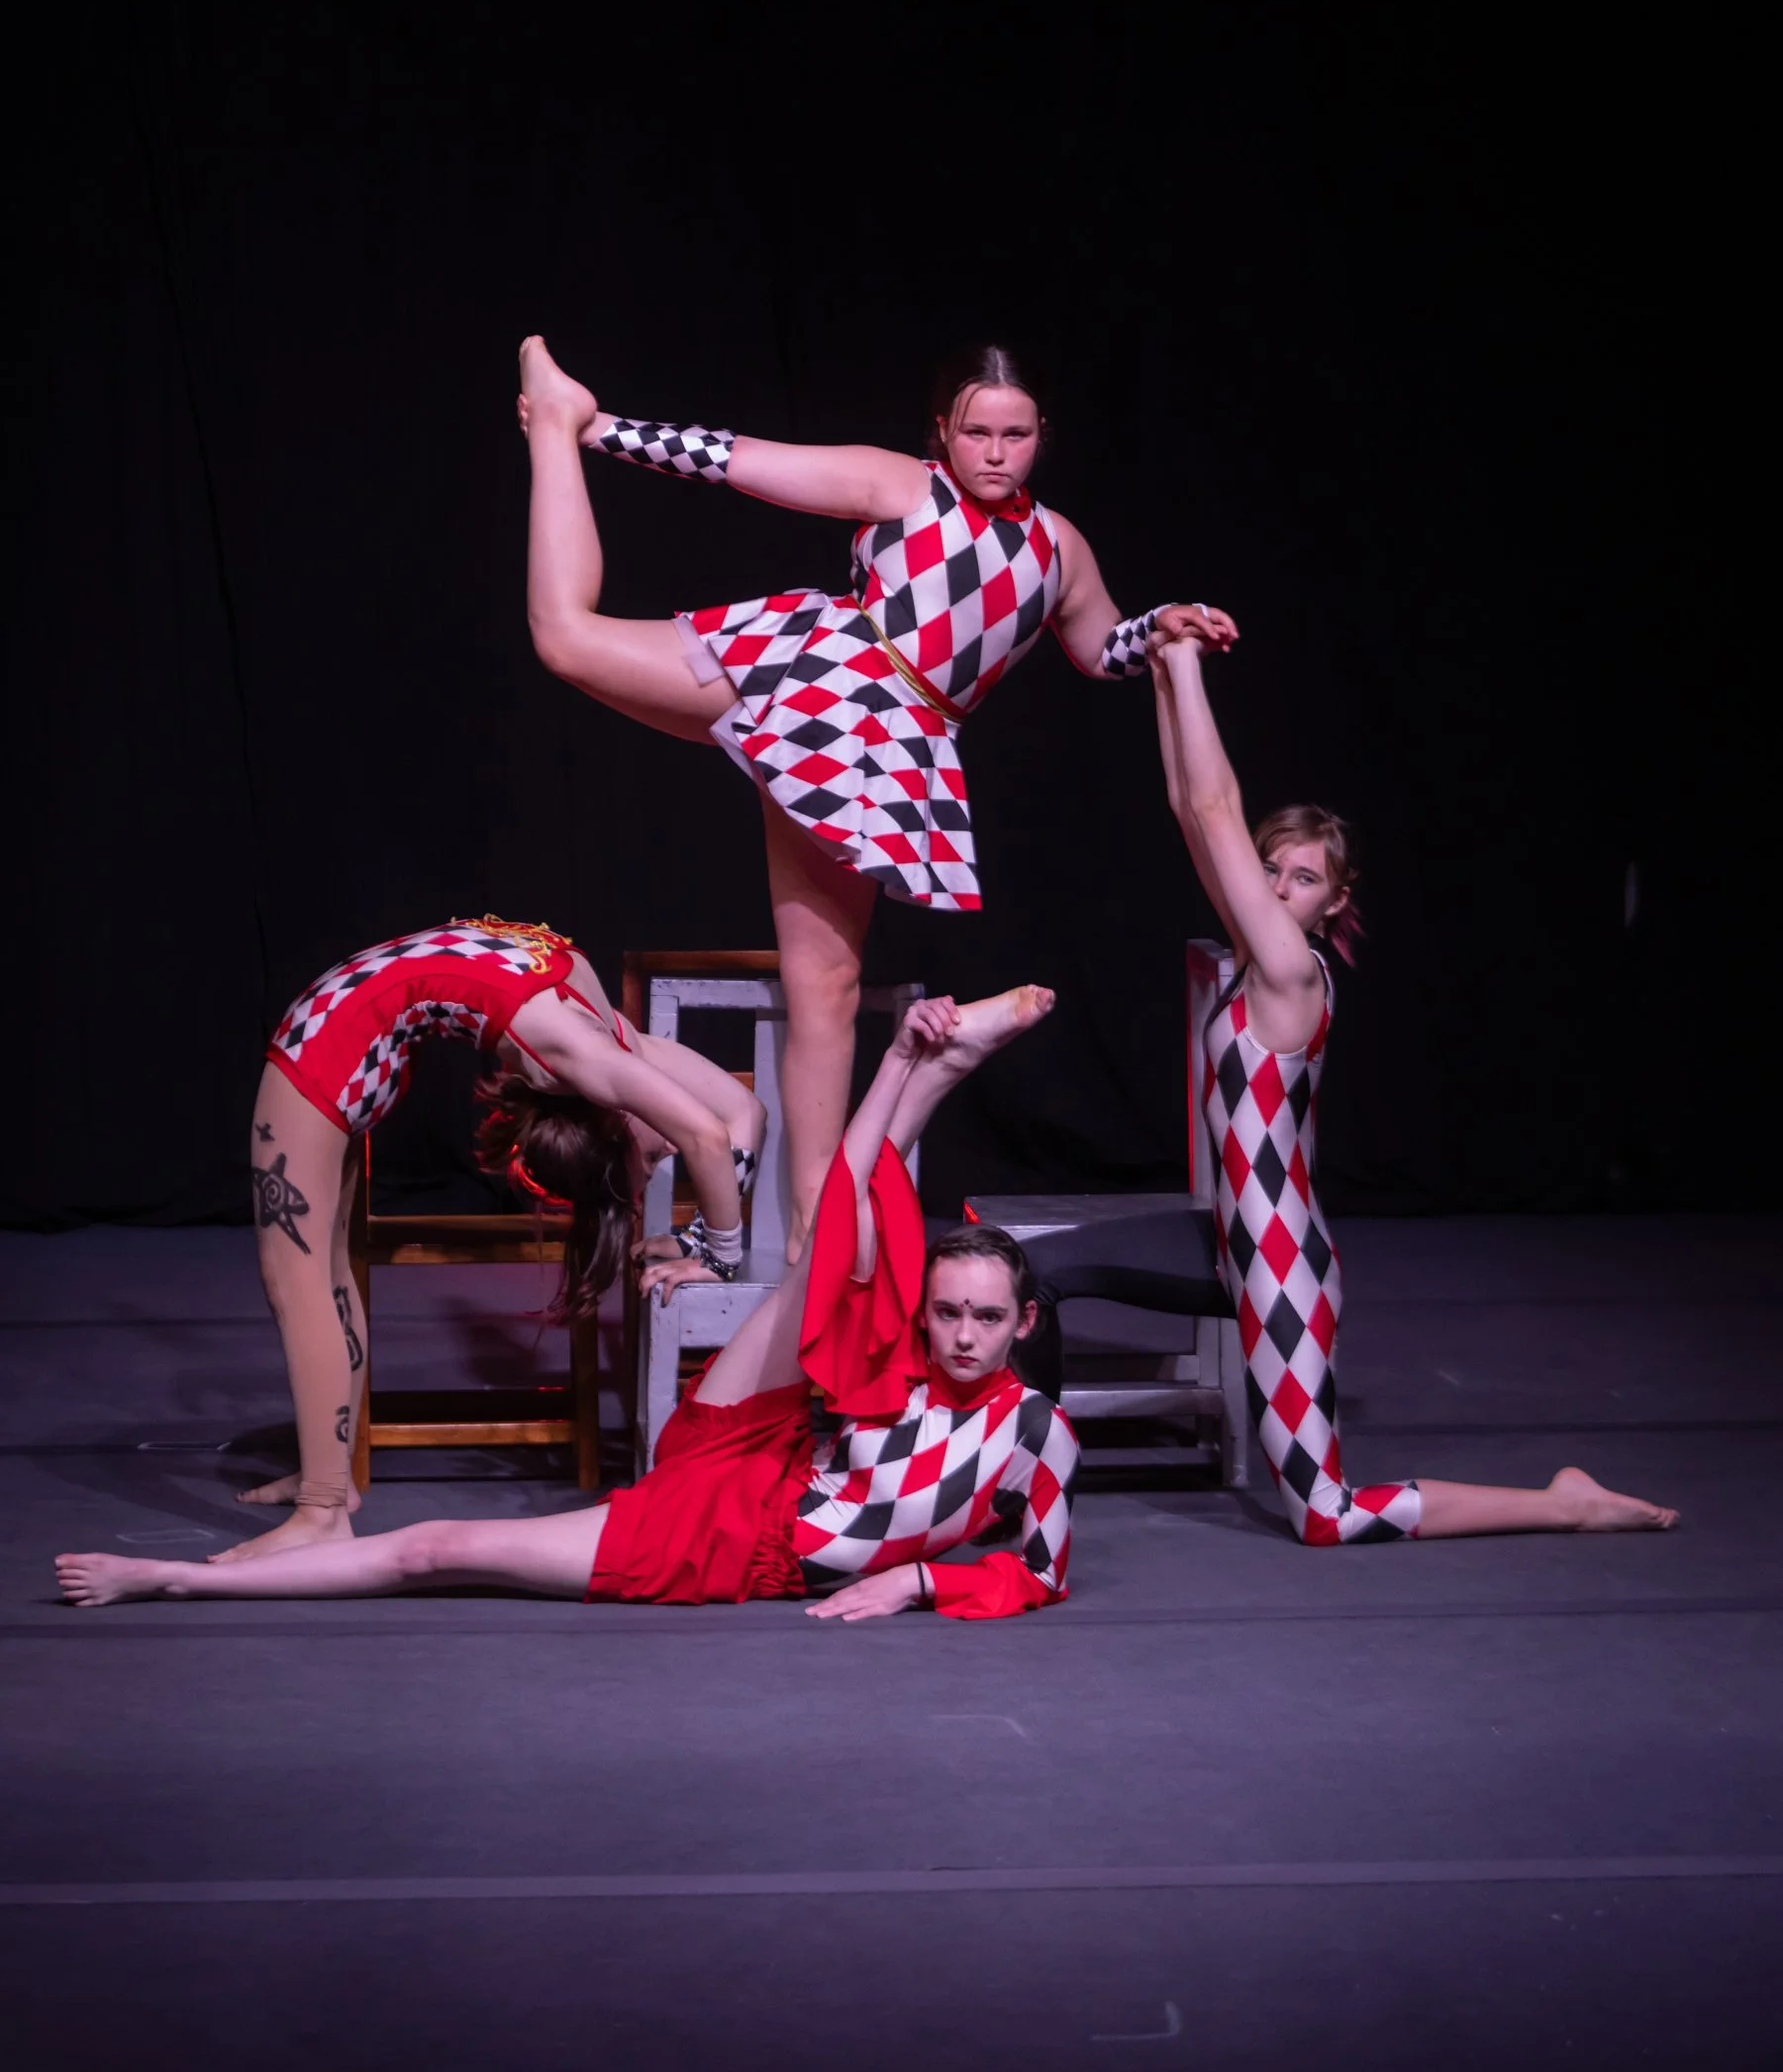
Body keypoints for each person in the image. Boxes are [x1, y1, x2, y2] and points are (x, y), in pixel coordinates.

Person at [56, 988, 1080, 1619]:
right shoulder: (915, 1359)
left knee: (437, 1549)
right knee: (833, 1248)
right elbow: (845, 1240)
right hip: (754, 1449)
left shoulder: (1036, 1432)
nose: (957, 1334)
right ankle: (924, 1065)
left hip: (731, 1543)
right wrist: (891, 1060)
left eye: (984, 1320)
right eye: (945, 1311)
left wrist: (916, 1584)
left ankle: (175, 1579)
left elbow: (1038, 1570)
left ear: (1023, 1326)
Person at [518, 331, 1198, 1257]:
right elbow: (737, 463)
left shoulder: (1059, 549)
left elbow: (1098, 646)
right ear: (942, 434)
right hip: (825, 676)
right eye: (977, 433)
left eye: (1017, 433)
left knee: (827, 985)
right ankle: (554, 424)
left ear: (1044, 434)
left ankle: (811, 1236)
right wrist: (601, 431)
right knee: (564, 639)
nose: (996, 452)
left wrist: (1163, 627)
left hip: (894, 746)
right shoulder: (904, 485)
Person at [1147, 614, 1677, 1542]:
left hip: (1282, 1264)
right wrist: (1159, 667)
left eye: (1302, 878)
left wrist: (1185, 664)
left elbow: (1211, 810)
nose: (1275, 888)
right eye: (1269, 870)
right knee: (1318, 1506)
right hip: (1254, 1249)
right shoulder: (1250, 957)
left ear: (1334, 900)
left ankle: (1564, 1504)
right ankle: (1562, 1499)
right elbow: (1189, 812)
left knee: (1324, 1514)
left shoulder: (1288, 974)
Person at [215, 914, 762, 1566]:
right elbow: (705, 1132)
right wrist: (720, 1259)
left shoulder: (607, 1046)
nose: (665, 1152)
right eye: (646, 1166)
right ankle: (323, 1494)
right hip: (332, 1028)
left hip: (352, 1031)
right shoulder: (588, 1053)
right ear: (614, 1120)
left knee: (313, 1277)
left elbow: (742, 1115)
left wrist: (696, 1242)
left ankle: (323, 1503)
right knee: (304, 1281)